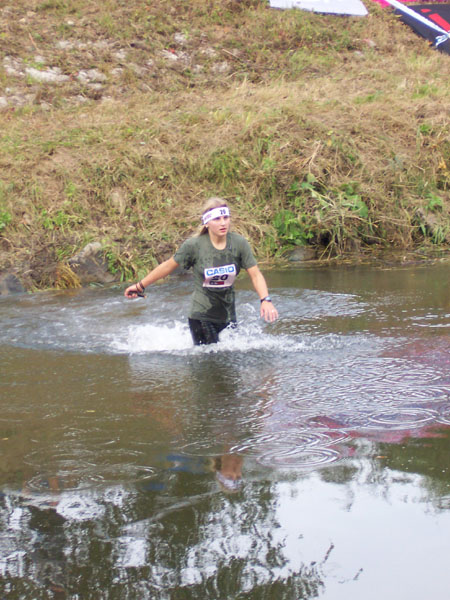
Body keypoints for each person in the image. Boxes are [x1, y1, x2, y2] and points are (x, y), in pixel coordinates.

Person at [124, 197, 278, 345]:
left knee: (229, 365)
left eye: (226, 217)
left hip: (228, 315)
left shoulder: (239, 244)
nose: (223, 223)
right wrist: (140, 286)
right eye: (217, 219)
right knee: (210, 363)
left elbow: (256, 274)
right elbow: (168, 266)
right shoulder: (194, 246)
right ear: (207, 222)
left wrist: (265, 300)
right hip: (201, 315)